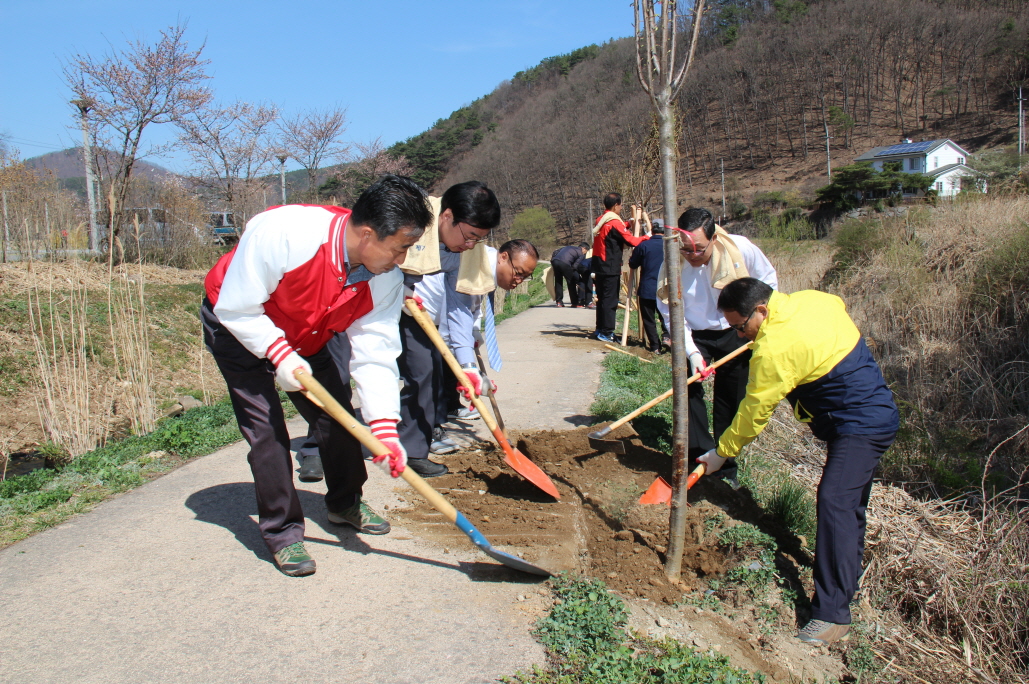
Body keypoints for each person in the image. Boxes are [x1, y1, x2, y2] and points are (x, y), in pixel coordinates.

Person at [201, 174, 433, 577]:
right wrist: (279, 355)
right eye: (400, 248)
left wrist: (384, 430)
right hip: (238, 324)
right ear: (366, 235)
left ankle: (345, 502)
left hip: (307, 331)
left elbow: (375, 354)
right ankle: (283, 532)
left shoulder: (385, 280)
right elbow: (238, 308)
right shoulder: (286, 234)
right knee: (268, 432)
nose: (401, 261)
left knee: (338, 416)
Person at [700, 277, 899, 646]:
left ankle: (833, 615)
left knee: (836, 500)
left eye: (741, 327)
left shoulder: (773, 349)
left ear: (762, 310)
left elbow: (754, 412)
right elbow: (837, 303)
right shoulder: (813, 300)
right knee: (848, 504)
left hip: (860, 425)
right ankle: (846, 576)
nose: (741, 336)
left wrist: (722, 452)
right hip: (875, 411)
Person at [657, 207, 777, 485]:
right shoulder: (673, 261)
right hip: (692, 332)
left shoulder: (740, 249)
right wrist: (692, 352)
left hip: (734, 331)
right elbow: (667, 309)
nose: (693, 256)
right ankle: (697, 457)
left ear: (713, 238)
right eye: (686, 250)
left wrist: (755, 321)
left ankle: (723, 465)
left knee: (731, 399)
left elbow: (768, 281)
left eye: (699, 249)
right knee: (687, 392)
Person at [398, 181, 502, 477]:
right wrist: (397, 290)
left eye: (478, 239)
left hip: (413, 307)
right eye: (469, 236)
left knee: (425, 371)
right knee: (337, 371)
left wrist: (467, 366)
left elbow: (458, 306)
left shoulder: (469, 249)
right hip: (371, 294)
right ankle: (316, 449)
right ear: (446, 216)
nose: (470, 245)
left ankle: (413, 451)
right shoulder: (410, 220)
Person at [591, 193, 645, 341]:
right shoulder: (614, 223)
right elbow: (632, 241)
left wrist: (627, 224)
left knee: (602, 298)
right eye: (620, 205)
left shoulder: (601, 220)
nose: (621, 208)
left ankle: (600, 328)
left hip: (599, 265)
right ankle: (607, 332)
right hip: (610, 265)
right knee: (610, 300)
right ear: (616, 205)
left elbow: (615, 230)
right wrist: (646, 237)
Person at [628, 219, 668, 354]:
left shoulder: (644, 246)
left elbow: (633, 264)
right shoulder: (671, 245)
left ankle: (655, 346)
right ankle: (667, 337)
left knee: (649, 319)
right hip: (667, 289)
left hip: (647, 288)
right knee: (667, 316)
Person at [550, 242, 587, 307]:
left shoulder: (568, 247)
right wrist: (572, 271)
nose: (585, 253)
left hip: (555, 261)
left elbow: (555, 252)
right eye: (586, 251)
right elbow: (576, 265)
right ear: (584, 248)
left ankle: (559, 302)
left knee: (558, 281)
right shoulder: (581, 253)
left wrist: (553, 261)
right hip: (565, 263)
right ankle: (574, 302)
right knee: (571, 282)